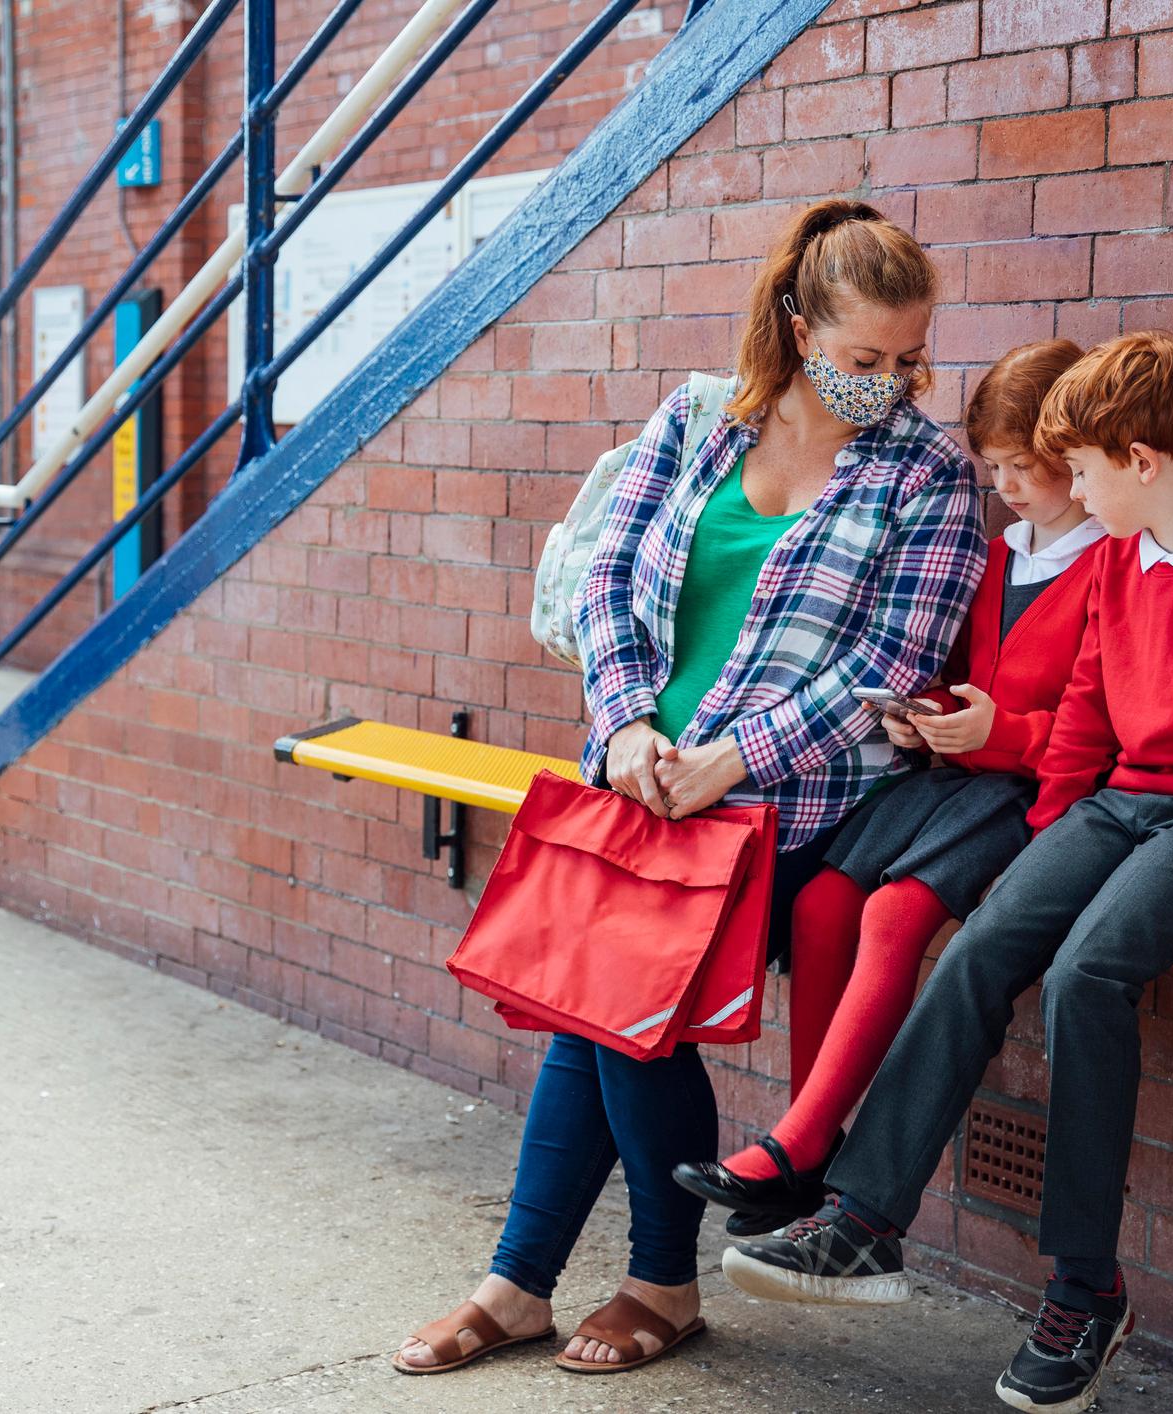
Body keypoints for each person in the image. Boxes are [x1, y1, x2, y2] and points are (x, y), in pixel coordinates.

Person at [393, 198, 985, 1376]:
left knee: (624, 1015)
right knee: (597, 1013)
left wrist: (729, 761)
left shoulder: (932, 476)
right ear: (799, 325)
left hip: (789, 809)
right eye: (865, 357)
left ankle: (635, 1281)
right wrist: (624, 727)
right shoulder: (699, 421)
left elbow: (895, 663)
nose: (892, 380)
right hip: (638, 776)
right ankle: (536, 1284)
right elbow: (609, 575)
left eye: (909, 357)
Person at [722, 330, 1173, 1414]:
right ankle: (864, 1219)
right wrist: (1048, 839)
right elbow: (1090, 713)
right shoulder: (1122, 562)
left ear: (1141, 460)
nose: (1073, 495)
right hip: (1109, 807)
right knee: (986, 947)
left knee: (1081, 979)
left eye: (1086, 471)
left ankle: (1084, 1287)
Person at [673, 339, 1105, 1231]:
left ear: (1076, 456)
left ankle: (798, 1142)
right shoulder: (1002, 553)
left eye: (1026, 467)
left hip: (1036, 791)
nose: (1009, 486)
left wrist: (1003, 734)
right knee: (824, 902)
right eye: (994, 468)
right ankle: (805, 1147)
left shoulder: (1111, 564)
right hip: (954, 774)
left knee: (892, 910)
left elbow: (1109, 728)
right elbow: (959, 666)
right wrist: (925, 713)